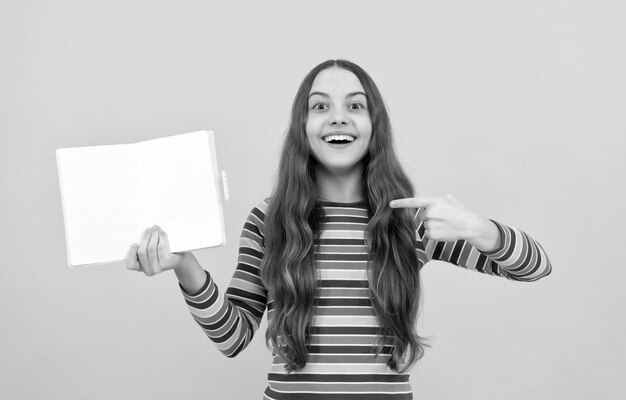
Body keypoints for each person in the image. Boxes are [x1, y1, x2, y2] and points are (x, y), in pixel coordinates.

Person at [125, 59, 552, 400]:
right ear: (303, 127)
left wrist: (479, 229)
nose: (338, 118)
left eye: (355, 105)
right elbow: (234, 337)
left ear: (373, 125)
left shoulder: (410, 220)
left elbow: (535, 267)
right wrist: (185, 265)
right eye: (320, 106)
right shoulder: (269, 219)